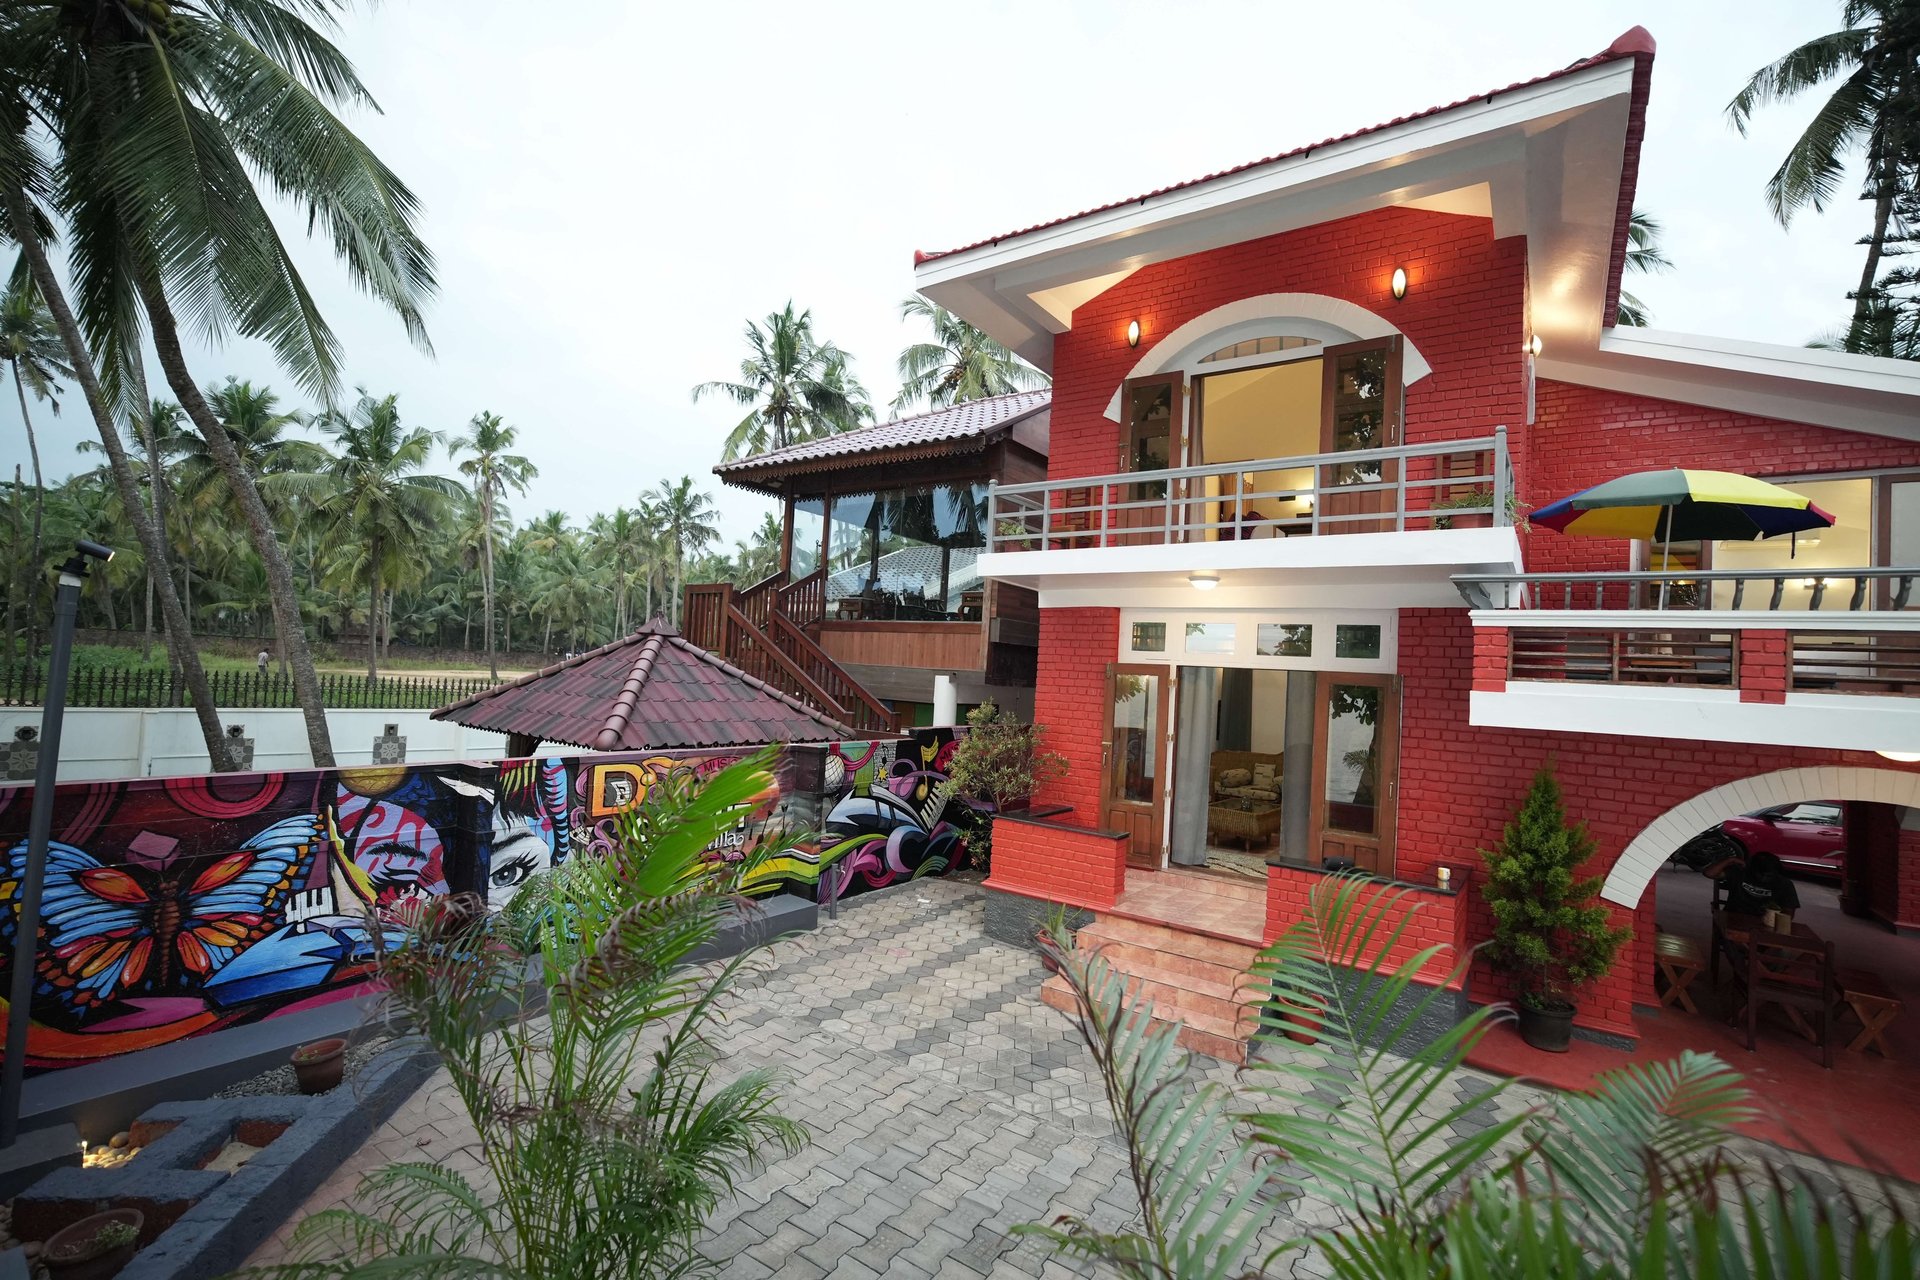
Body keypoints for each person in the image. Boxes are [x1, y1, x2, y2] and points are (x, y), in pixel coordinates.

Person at [1723, 850, 1801, 921]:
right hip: (1734, 917)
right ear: (1753, 870)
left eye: (1769, 876)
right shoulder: (1741, 873)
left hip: (1764, 921)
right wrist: (1730, 860)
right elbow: (1714, 873)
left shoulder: (1784, 884)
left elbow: (1788, 913)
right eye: (1761, 875)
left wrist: (1774, 921)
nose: (1764, 878)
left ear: (1776, 873)